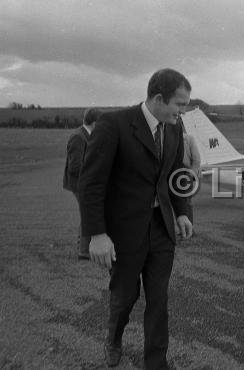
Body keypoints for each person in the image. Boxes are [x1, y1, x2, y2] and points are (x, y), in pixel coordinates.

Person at [79, 68, 193, 369]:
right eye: (179, 104)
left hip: (161, 229)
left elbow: (176, 175)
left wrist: (182, 212)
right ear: (158, 98)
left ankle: (156, 363)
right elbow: (90, 184)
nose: (182, 111)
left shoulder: (174, 128)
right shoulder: (114, 125)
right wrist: (97, 234)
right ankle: (113, 338)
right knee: (124, 298)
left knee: (159, 301)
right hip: (124, 234)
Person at [63, 107, 102, 260]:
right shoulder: (78, 137)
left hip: (85, 183)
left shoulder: (87, 134)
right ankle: (84, 251)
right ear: (94, 122)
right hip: (80, 184)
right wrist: (93, 175)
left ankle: (84, 247)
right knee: (88, 215)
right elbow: (75, 167)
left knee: (87, 214)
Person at [182, 130, 202, 223]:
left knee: (186, 202)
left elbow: (196, 160)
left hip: (185, 173)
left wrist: (190, 174)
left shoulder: (188, 139)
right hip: (173, 173)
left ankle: (189, 228)